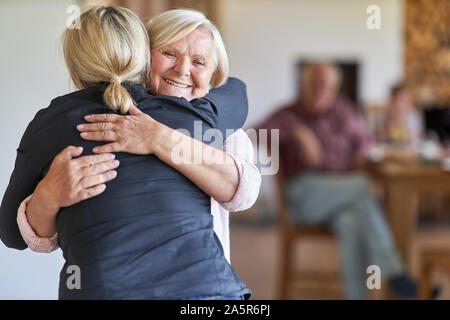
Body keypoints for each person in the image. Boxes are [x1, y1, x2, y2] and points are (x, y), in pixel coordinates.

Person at [1, 6, 259, 300]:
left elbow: (245, 191)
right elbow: (238, 92)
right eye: (170, 54)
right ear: (143, 58)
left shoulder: (50, 123)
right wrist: (47, 196)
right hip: (208, 290)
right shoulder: (196, 116)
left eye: (199, 61)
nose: (183, 70)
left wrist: (159, 138)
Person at [258, 62, 433, 299]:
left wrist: (361, 151)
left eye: (326, 86)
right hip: (303, 198)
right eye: (314, 85)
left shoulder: (344, 111)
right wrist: (297, 132)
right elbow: (256, 131)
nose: (320, 91)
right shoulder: (289, 113)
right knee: (363, 187)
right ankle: (395, 273)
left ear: (335, 89)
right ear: (303, 86)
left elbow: (365, 140)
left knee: (352, 221)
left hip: (342, 197)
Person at [383, 82, 424, 147]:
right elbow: (382, 138)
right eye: (396, 101)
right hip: (392, 149)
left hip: (409, 150)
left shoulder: (413, 116)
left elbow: (417, 137)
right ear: (391, 102)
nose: (399, 105)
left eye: (403, 101)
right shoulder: (386, 116)